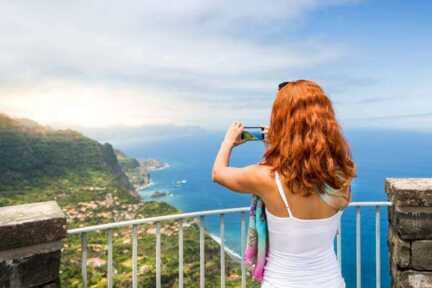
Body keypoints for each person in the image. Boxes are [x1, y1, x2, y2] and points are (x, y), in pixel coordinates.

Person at [212, 80, 356, 288]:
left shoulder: (266, 178)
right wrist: (281, 144)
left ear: (282, 123)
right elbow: (307, 171)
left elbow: (218, 173)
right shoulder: (342, 175)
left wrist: (228, 142)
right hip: (330, 281)